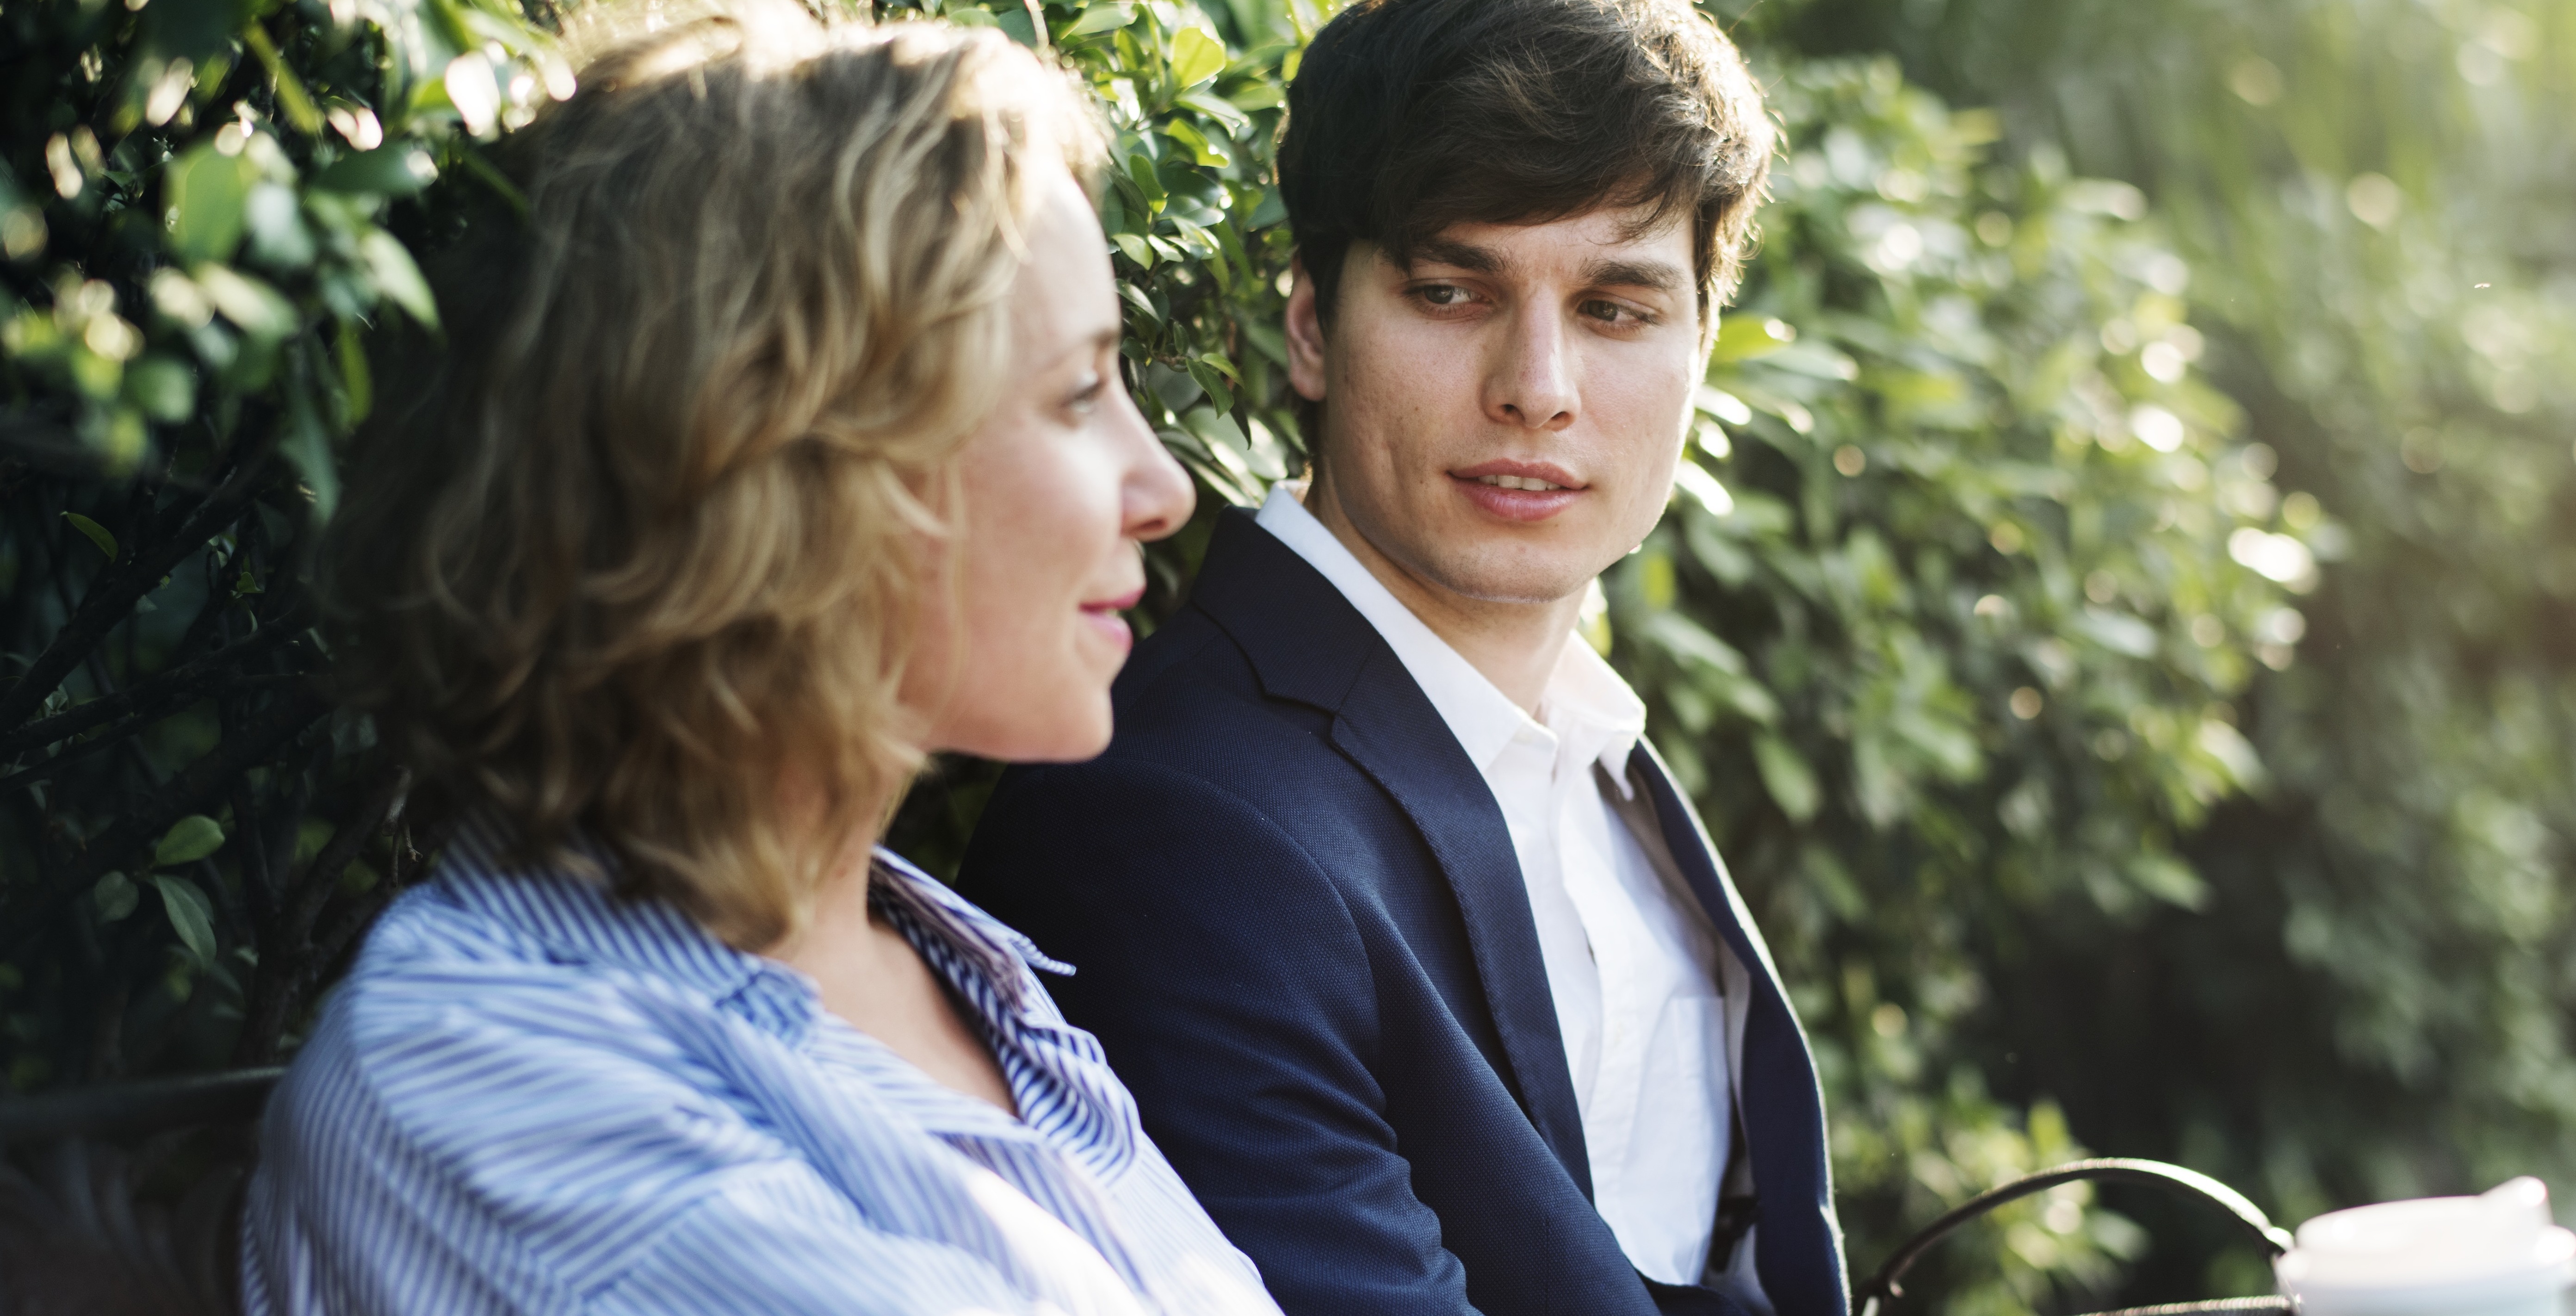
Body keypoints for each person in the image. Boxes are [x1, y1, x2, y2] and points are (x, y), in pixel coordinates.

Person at [239, 13, 1283, 1315]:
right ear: (784, 469)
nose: (1166, 486)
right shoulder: (499, 1084)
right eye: (1079, 394)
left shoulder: (953, 970)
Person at [963, 1, 1849, 1312]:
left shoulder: (1603, 762)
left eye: (1616, 308)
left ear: (1700, 346)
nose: (1537, 385)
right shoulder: (1175, 831)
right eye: (1452, 290)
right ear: (1312, 325)